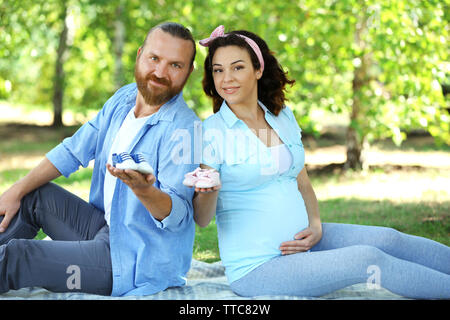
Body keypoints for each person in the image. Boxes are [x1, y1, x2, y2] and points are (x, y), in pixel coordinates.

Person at [191, 25, 450, 299]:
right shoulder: (212, 132)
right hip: (260, 267)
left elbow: (302, 181)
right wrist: (209, 191)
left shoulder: (281, 117)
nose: (226, 79)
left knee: (389, 238)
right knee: (367, 259)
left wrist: (315, 225)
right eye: (218, 70)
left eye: (237, 67)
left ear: (258, 70)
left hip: (306, 240)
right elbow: (202, 218)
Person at [0, 22, 200, 296]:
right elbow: (73, 150)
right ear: (140, 54)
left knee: (19, 256)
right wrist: (15, 190)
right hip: (103, 228)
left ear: (189, 71)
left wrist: (145, 191)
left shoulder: (185, 129)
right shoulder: (124, 99)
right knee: (32, 195)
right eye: (154, 58)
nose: (160, 72)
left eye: (175, 65)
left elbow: (180, 216)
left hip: (132, 263)